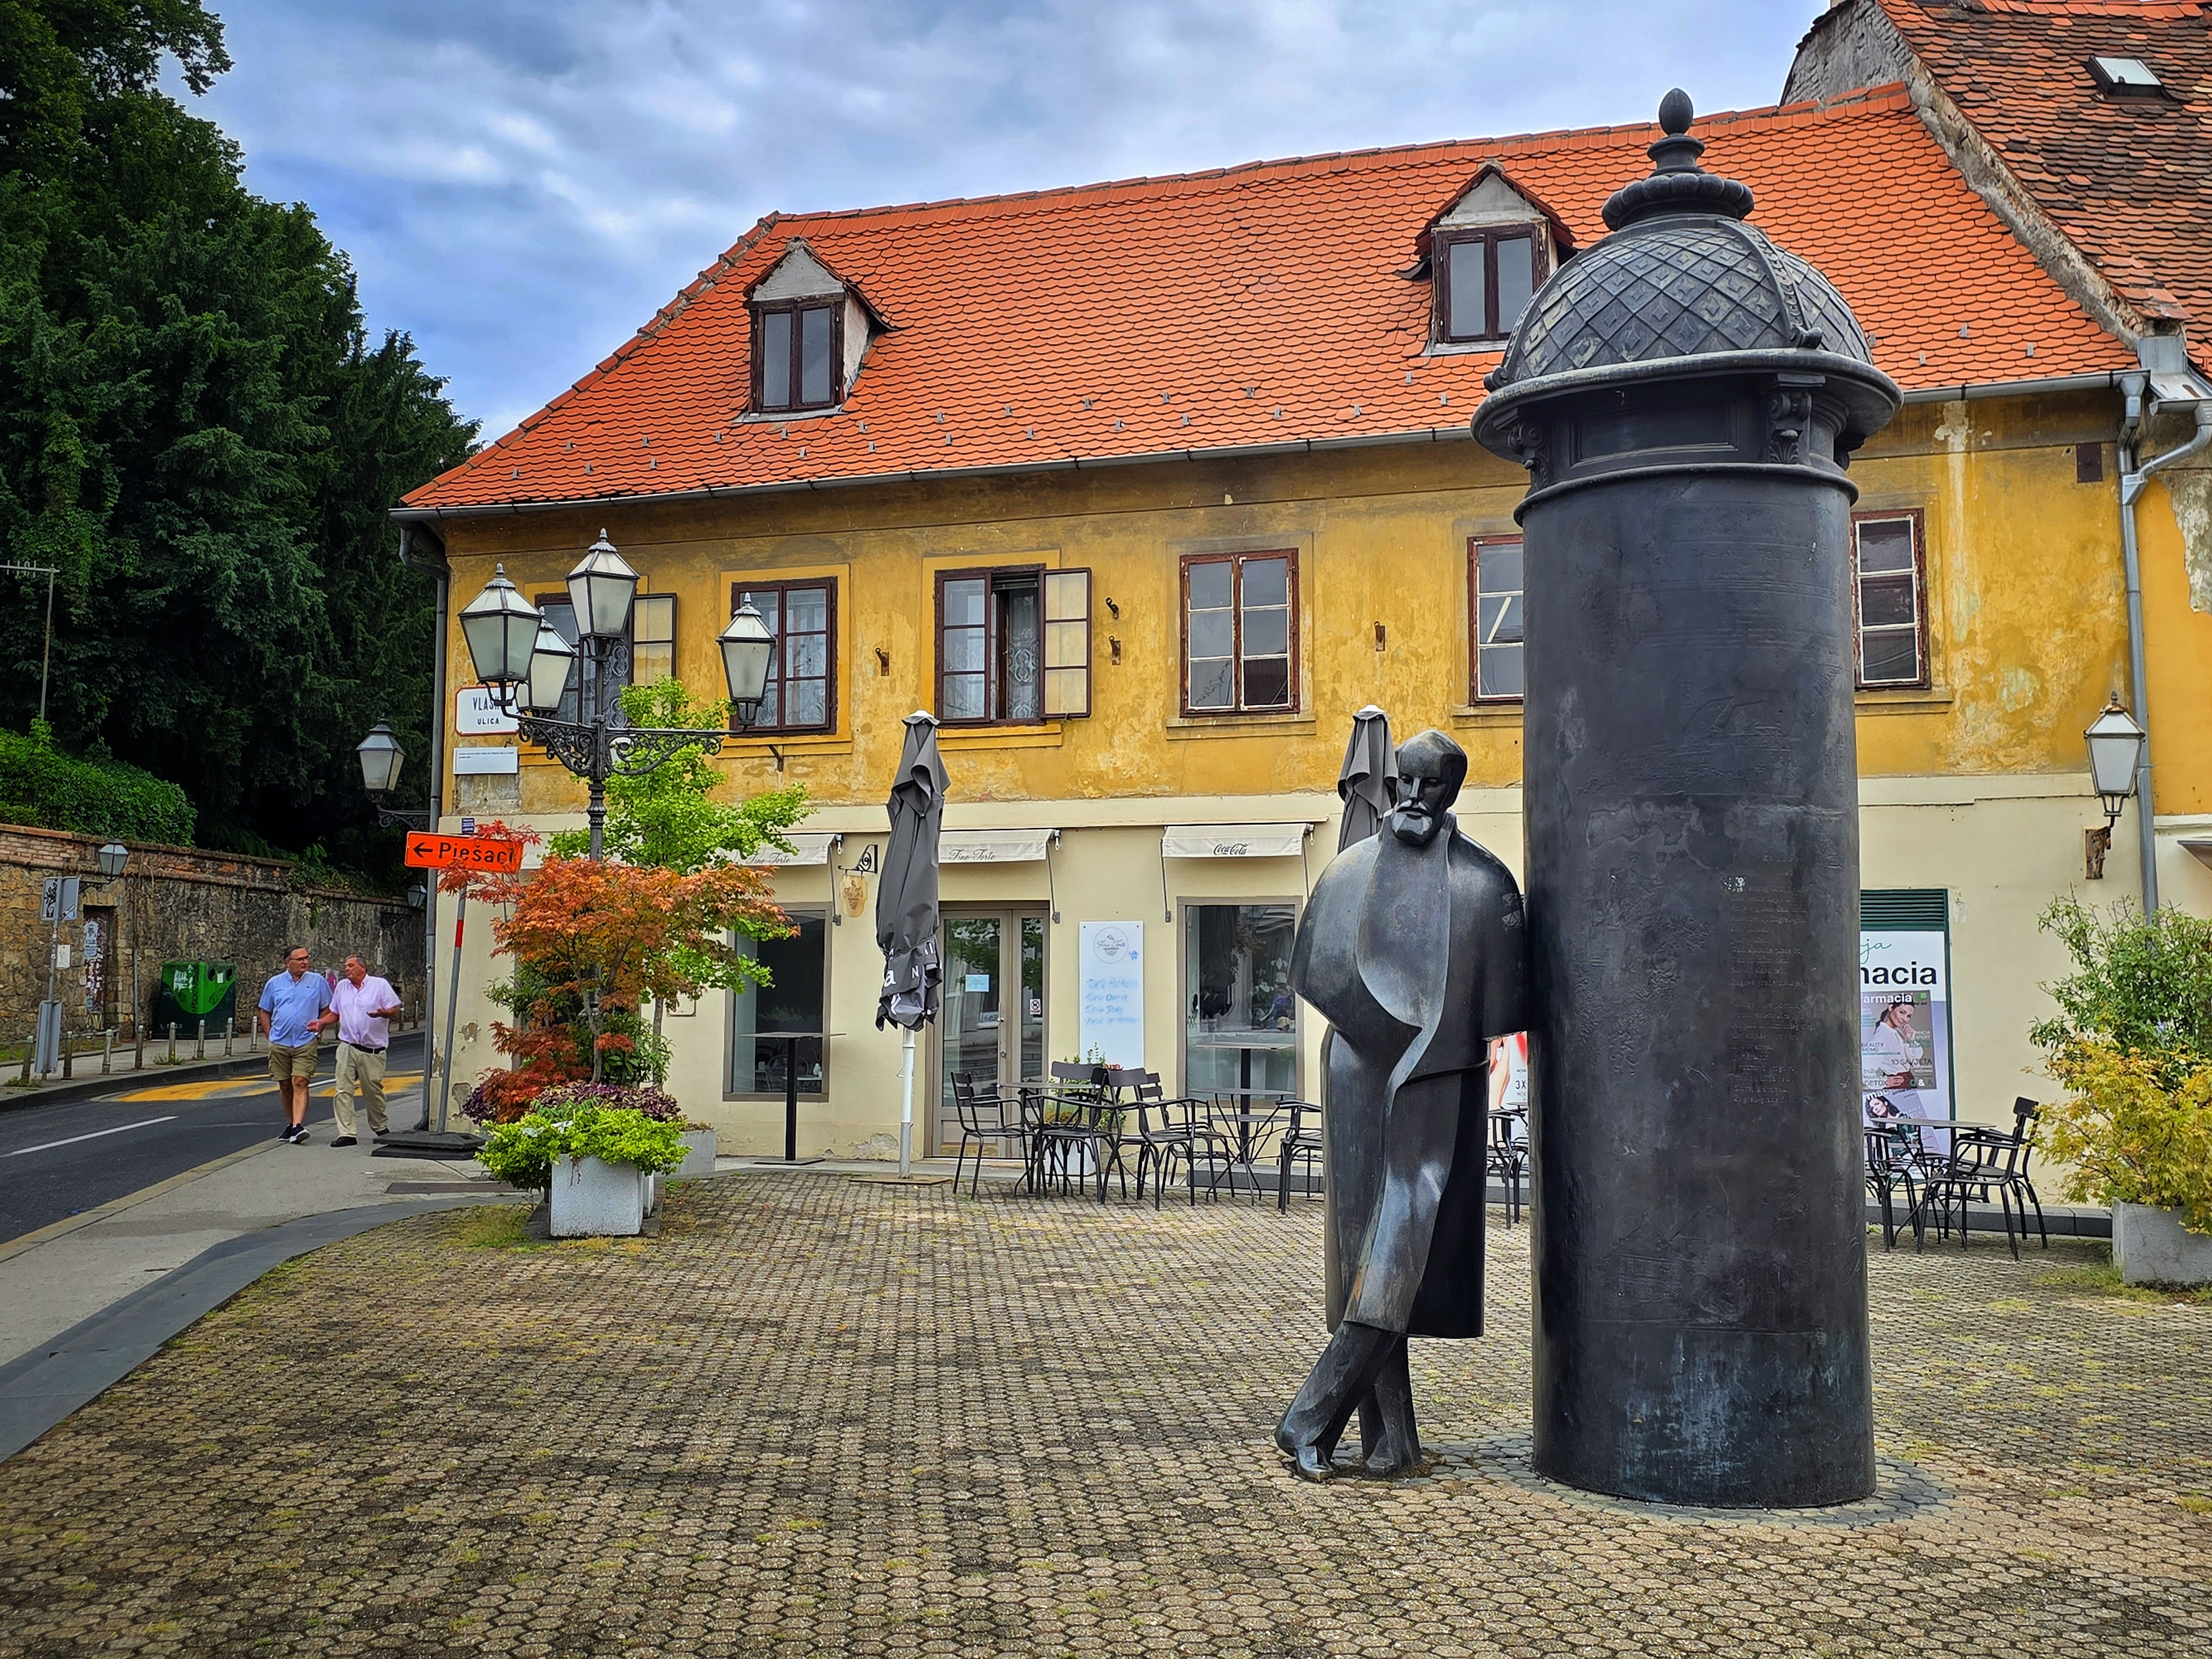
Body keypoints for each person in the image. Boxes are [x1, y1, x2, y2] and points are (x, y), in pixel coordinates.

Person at [1274, 729, 1526, 1480]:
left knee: (1398, 1253)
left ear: (1453, 791)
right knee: (1369, 1257)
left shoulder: (1485, 883)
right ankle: (1362, 1433)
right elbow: (1314, 970)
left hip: (1437, 1076)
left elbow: (1504, 1007)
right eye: (1404, 782)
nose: (1413, 798)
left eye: (1430, 785)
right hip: (1356, 1069)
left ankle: (1341, 1427)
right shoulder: (1348, 873)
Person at [257, 946, 332, 1144]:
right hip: (279, 1041)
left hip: (305, 1041)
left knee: (300, 1081)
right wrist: (269, 1034)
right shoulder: (275, 983)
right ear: (288, 962)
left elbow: (327, 1007)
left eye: (307, 958)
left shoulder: (317, 982)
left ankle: (299, 1126)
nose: (305, 962)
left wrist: (319, 1028)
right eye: (300, 959)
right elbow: (265, 1010)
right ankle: (291, 1125)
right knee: (284, 1083)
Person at [327, 955, 403, 1147]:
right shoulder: (342, 987)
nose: (347, 969)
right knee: (342, 1090)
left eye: (351, 966)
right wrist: (320, 1023)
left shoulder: (379, 985)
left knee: (373, 1091)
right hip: (347, 1045)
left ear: (363, 968)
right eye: (346, 966)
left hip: (372, 1049)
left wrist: (382, 1014)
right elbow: (335, 1013)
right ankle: (347, 1133)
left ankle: (380, 1126)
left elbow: (393, 1010)